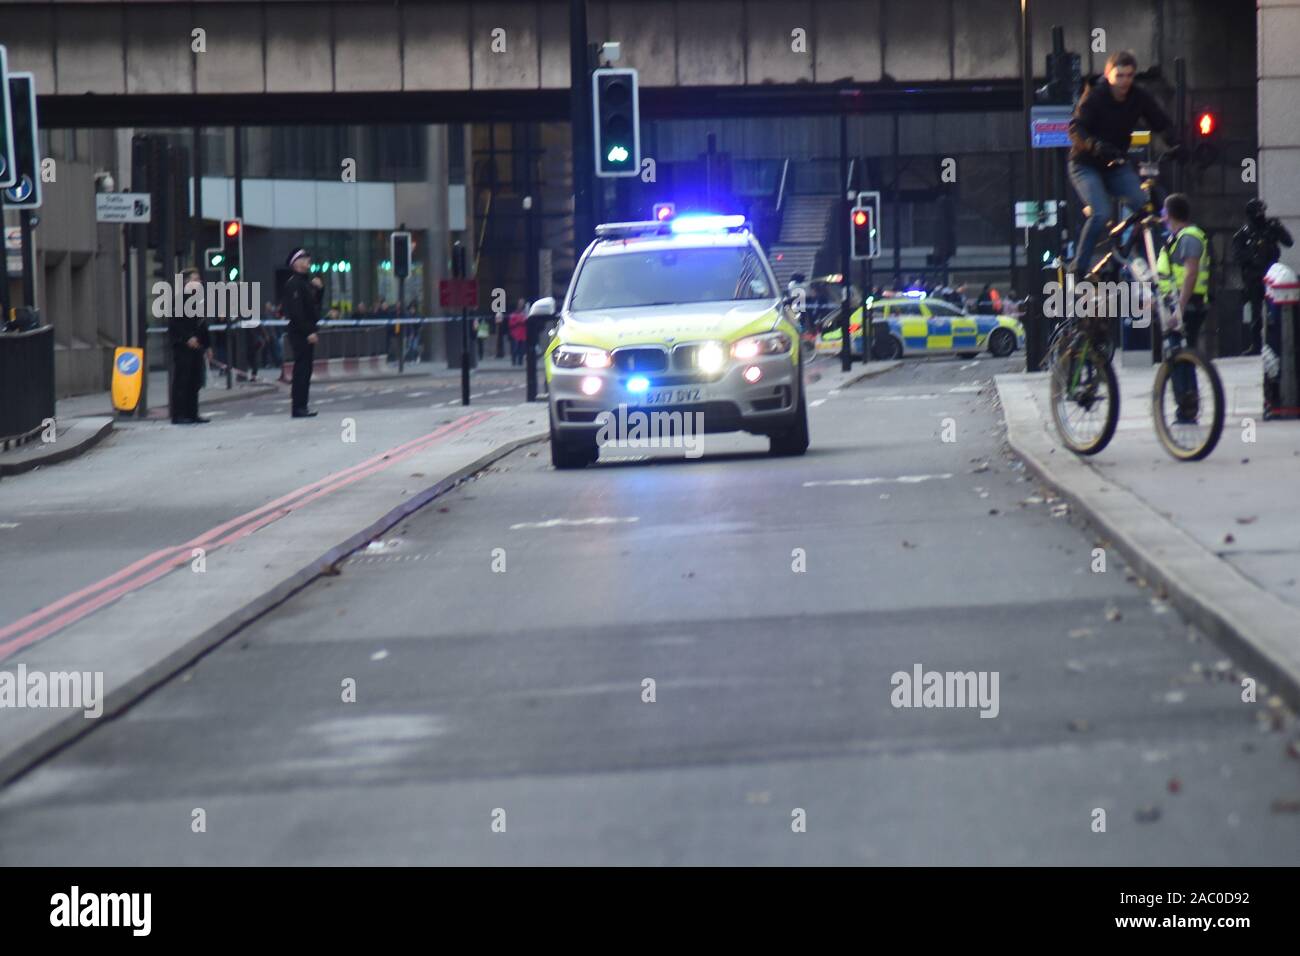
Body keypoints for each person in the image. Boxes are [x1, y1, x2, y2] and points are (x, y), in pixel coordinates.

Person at [1068, 50, 1180, 276]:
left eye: (1129, 76)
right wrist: (1094, 145)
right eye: (1119, 76)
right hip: (1086, 164)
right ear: (1108, 75)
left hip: (1115, 164)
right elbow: (1076, 128)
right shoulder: (1095, 97)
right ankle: (1078, 267)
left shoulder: (1138, 97)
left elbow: (1160, 122)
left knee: (1144, 205)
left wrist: (1176, 144)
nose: (1124, 82)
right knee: (1101, 213)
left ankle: (1138, 254)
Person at [1155, 193, 1211, 422]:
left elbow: (1190, 273)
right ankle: (1186, 407)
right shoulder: (1176, 238)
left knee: (1179, 358)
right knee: (1180, 357)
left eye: (1163, 213)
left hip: (1187, 307)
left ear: (1170, 214)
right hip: (1180, 305)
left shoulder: (1189, 238)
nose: (1161, 217)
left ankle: (1187, 408)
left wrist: (1178, 308)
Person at [1232, 199, 1294, 355]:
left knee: (1274, 312)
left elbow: (1289, 242)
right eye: (1258, 213)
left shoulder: (1270, 227)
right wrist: (1253, 257)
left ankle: (1276, 344)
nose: (1262, 216)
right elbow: (1238, 256)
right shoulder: (1243, 234)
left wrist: (1279, 229)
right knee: (1255, 314)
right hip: (1253, 278)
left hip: (1271, 275)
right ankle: (1256, 345)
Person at [282, 247, 321, 417]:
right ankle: (298, 406)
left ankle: (303, 405)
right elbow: (296, 313)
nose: (308, 263)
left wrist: (320, 290)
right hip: (299, 333)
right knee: (301, 370)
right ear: (296, 263)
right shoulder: (294, 284)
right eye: (305, 260)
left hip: (307, 331)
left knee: (306, 370)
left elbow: (314, 308)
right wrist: (308, 332)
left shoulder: (305, 283)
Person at [169, 268, 210, 424]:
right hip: (183, 347)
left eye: (198, 280)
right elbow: (175, 324)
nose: (198, 282)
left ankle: (192, 413)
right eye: (195, 279)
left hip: (197, 347)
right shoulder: (178, 299)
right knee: (182, 380)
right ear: (186, 282)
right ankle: (178, 414)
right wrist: (187, 338)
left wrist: (208, 345)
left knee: (195, 380)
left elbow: (202, 324)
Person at [508, 299, 528, 366]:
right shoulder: (514, 313)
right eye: (520, 303)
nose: (521, 304)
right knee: (515, 349)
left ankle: (520, 362)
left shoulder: (525, 313)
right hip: (515, 334)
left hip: (522, 334)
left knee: (521, 349)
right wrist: (519, 321)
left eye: (522, 303)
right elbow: (511, 323)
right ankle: (514, 362)